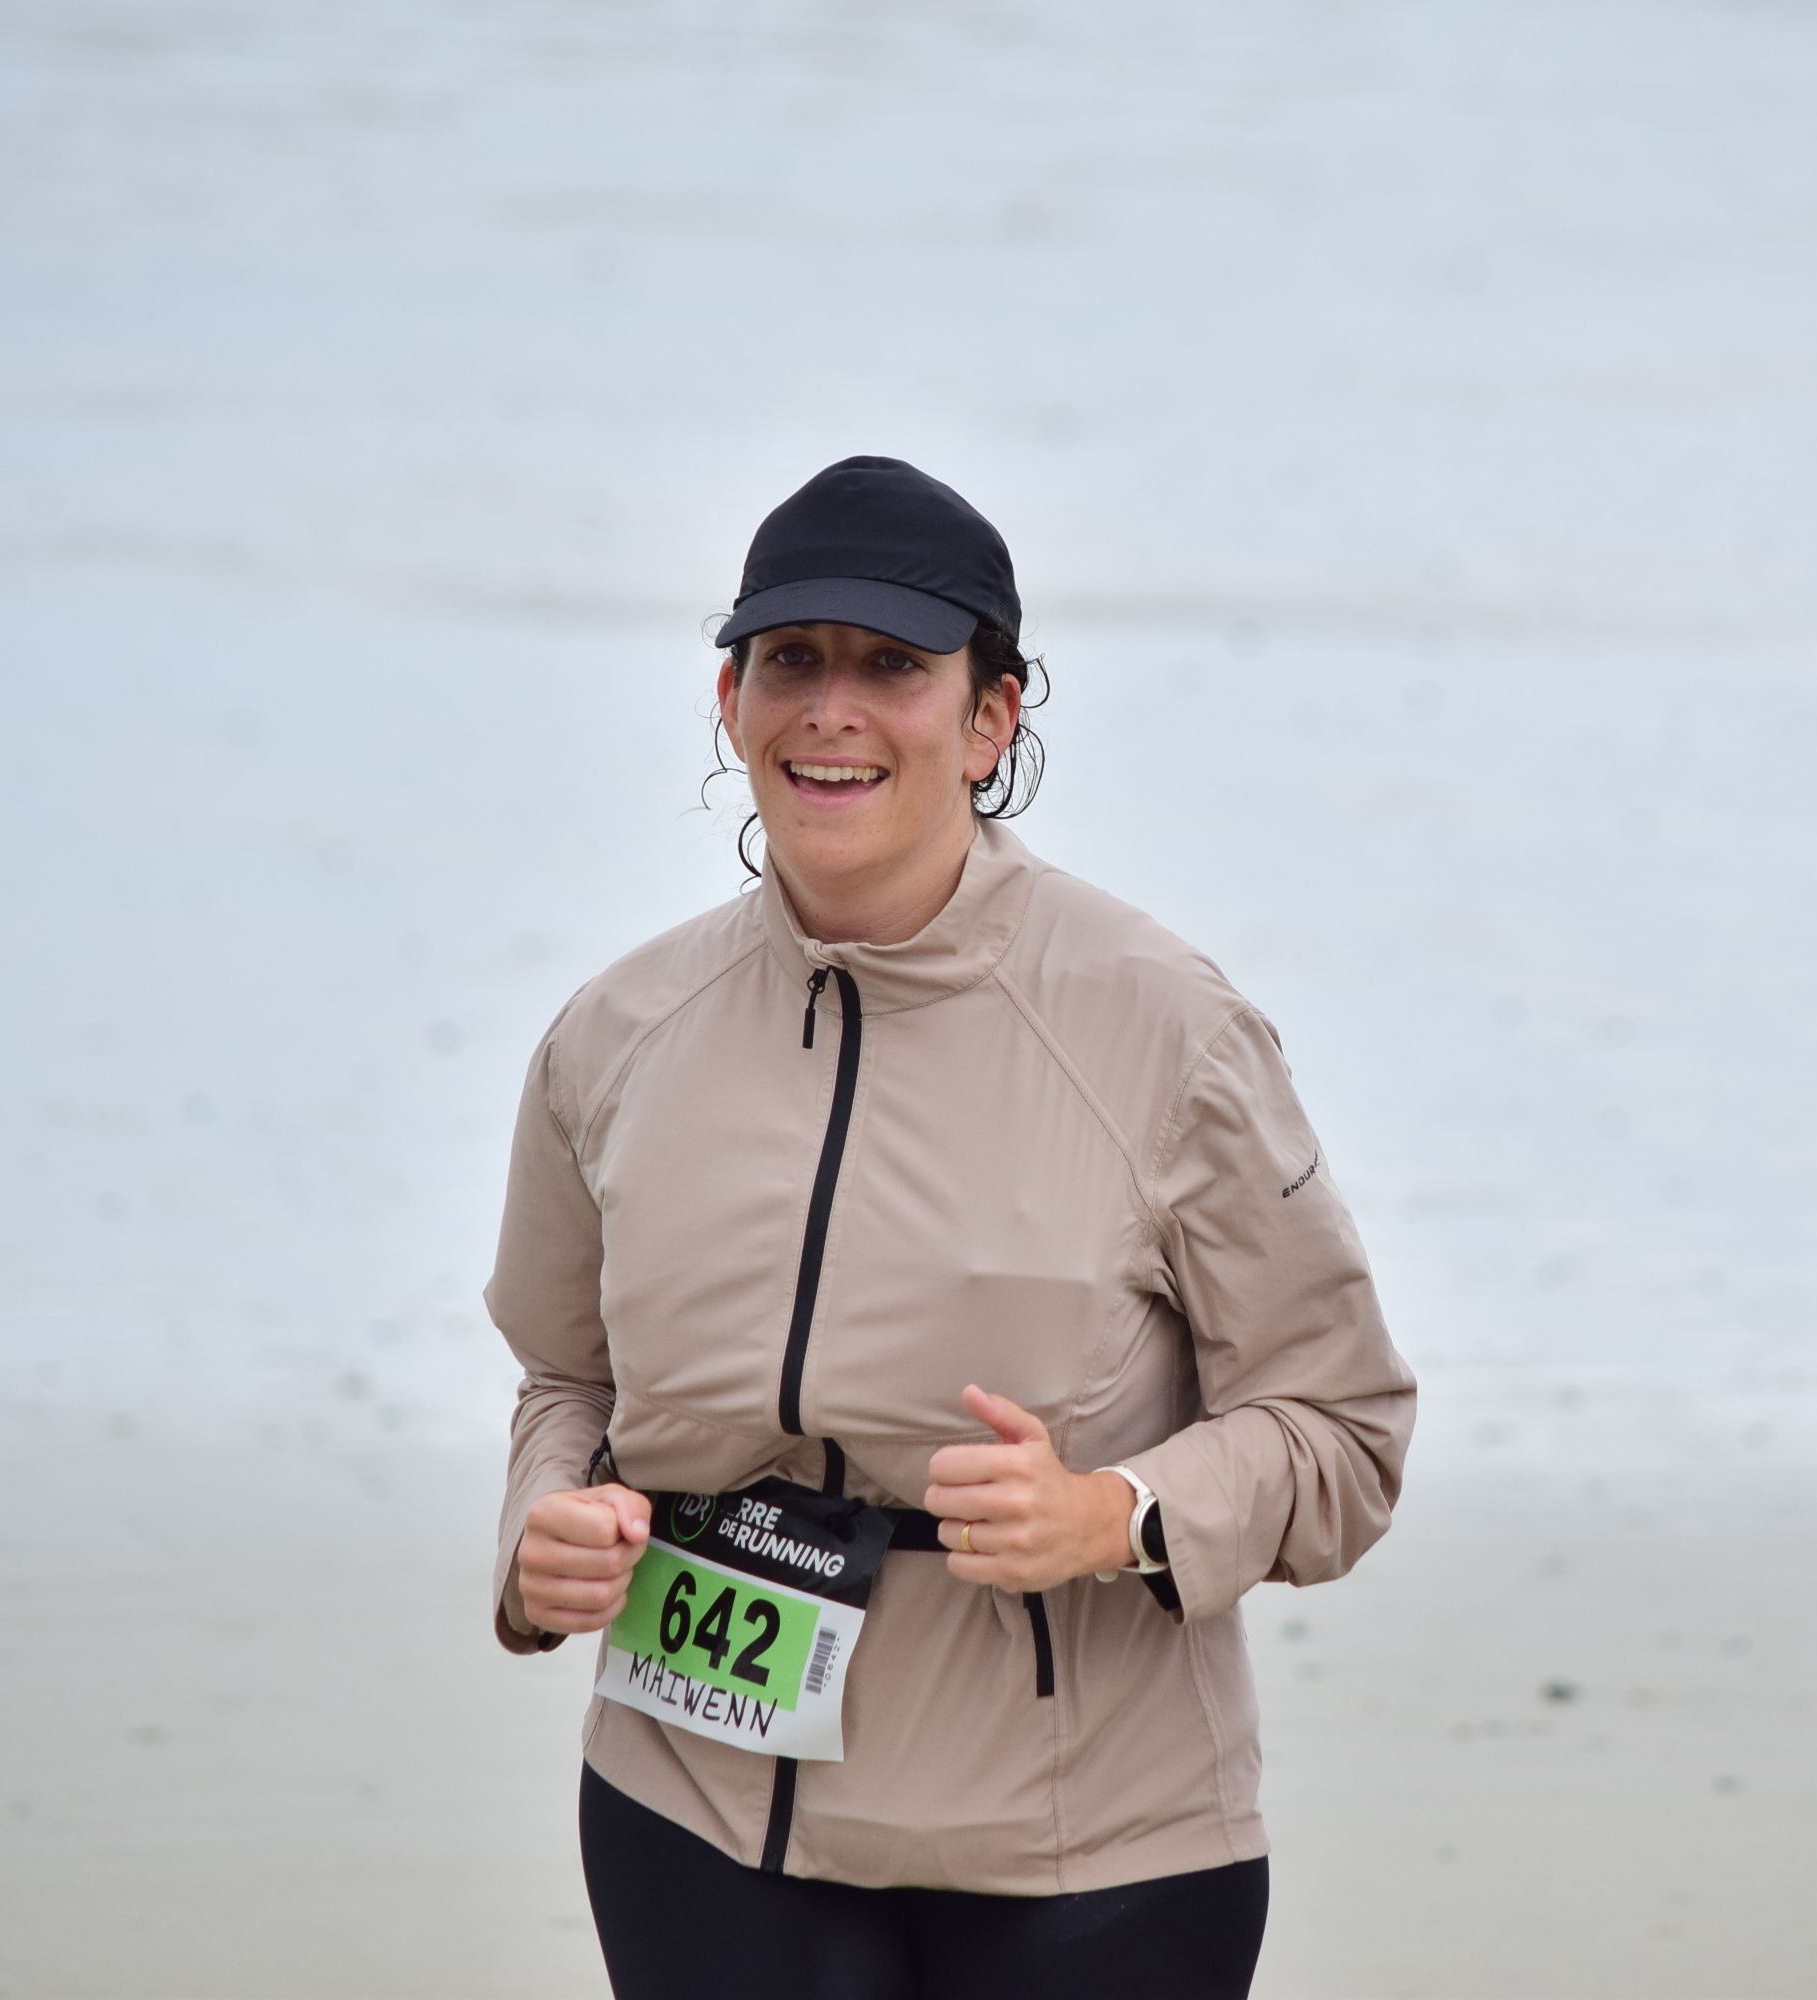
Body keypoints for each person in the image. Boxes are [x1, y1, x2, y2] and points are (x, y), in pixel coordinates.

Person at [482, 454, 1416, 2000]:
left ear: (993, 718)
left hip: (1092, 1858)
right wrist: (542, 1537)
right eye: (793, 660)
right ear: (729, 701)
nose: (833, 710)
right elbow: (564, 1379)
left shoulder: (1168, 1033)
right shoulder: (615, 1034)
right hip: (693, 1814)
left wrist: (1115, 1514)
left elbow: (1345, 1433)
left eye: (894, 667)